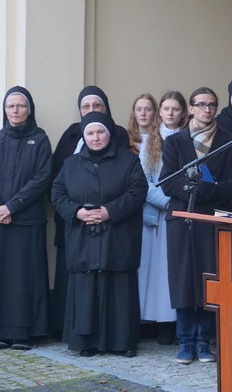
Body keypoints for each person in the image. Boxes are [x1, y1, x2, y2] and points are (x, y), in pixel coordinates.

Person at [51, 111, 147, 358]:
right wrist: (77, 212)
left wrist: (108, 212)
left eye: (100, 132)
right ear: (84, 136)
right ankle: (86, 342)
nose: (96, 138)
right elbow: (57, 193)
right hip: (83, 235)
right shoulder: (71, 164)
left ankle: (122, 342)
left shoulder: (129, 161)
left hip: (118, 236)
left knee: (118, 287)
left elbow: (137, 192)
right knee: (86, 287)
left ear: (110, 134)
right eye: (90, 133)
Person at [159, 87, 232, 365]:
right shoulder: (175, 142)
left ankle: (204, 340)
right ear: (190, 108)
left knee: (208, 279)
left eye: (212, 105)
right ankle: (184, 341)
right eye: (201, 105)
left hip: (210, 217)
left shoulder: (228, 141)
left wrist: (205, 189)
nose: (207, 110)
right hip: (181, 217)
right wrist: (193, 187)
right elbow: (167, 182)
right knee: (182, 281)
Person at [50, 86, 130, 338]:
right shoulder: (70, 136)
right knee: (76, 278)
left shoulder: (117, 135)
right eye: (86, 107)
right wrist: (76, 211)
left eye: (97, 106)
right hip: (76, 221)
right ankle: (71, 330)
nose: (91, 111)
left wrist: (106, 211)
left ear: (106, 108)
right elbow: (57, 180)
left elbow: (126, 182)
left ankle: (111, 335)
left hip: (112, 224)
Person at [0, 86, 53, 350]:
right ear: (5, 110)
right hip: (1, 219)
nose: (15, 110)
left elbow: (42, 178)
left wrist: (12, 206)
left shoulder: (40, 139)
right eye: (11, 106)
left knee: (25, 278)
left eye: (21, 106)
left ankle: (24, 333)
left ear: (29, 109)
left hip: (28, 219)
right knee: (4, 277)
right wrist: (2, 209)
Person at [129, 93, 180, 345]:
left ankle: (169, 324)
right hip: (156, 215)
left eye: (175, 109)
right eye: (166, 109)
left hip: (178, 216)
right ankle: (148, 322)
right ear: (160, 112)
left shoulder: (186, 138)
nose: (170, 113)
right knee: (150, 272)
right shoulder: (152, 141)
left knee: (170, 273)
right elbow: (143, 180)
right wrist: (168, 201)